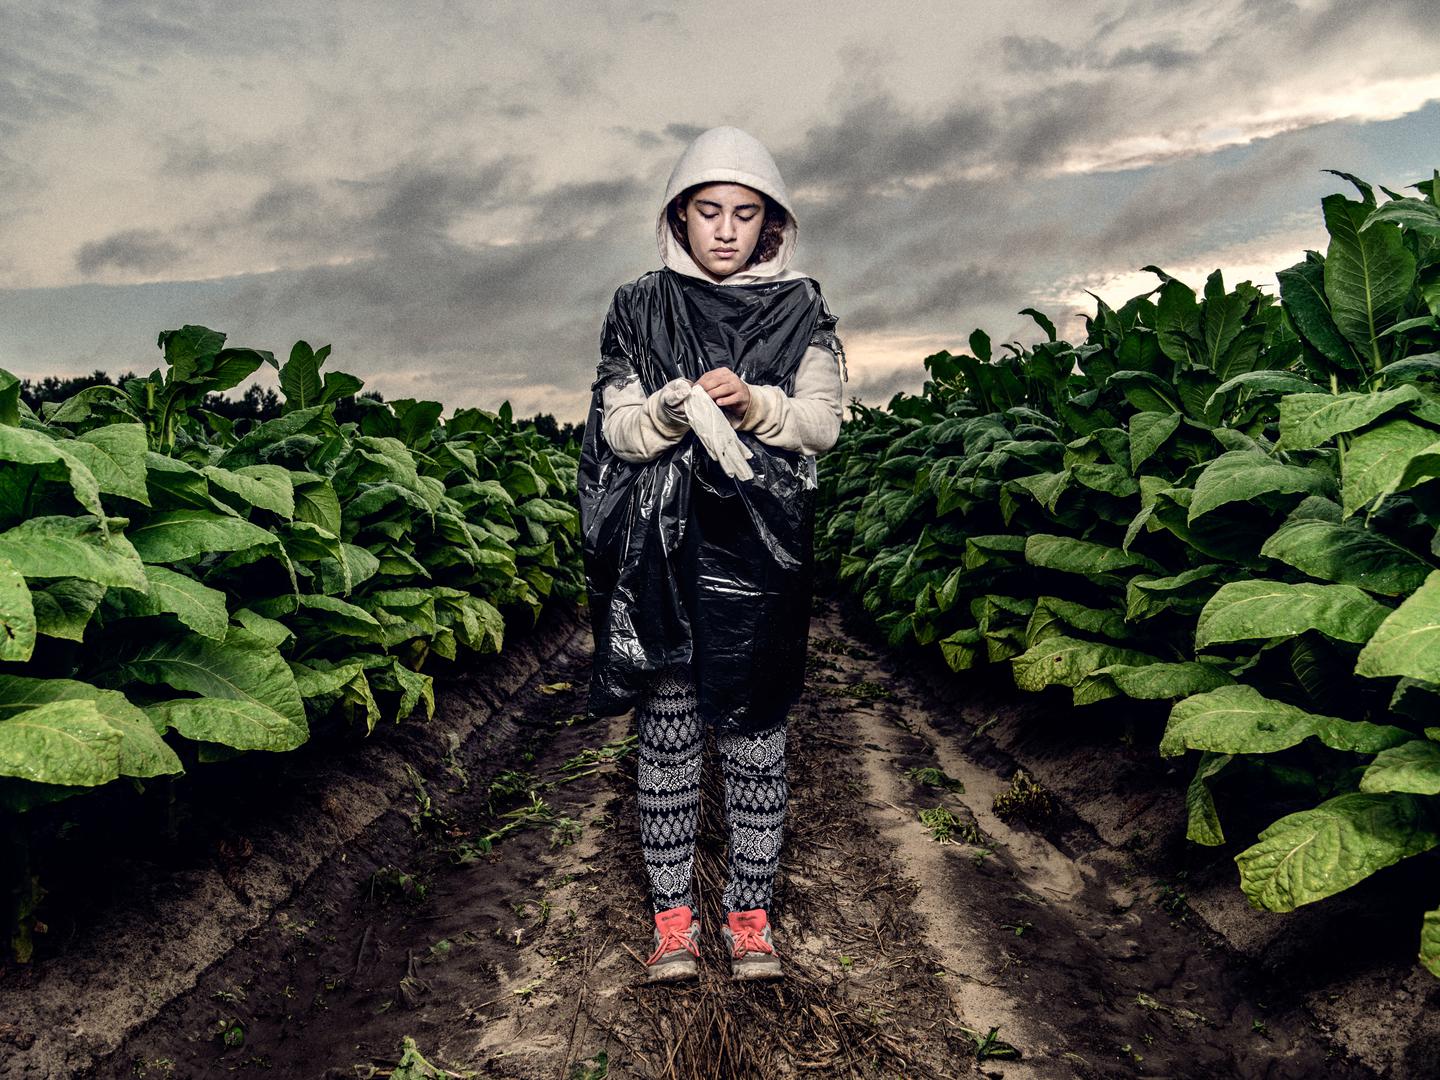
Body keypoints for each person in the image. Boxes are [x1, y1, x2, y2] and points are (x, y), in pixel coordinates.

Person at [576, 126, 847, 983]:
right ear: (679, 219)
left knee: (756, 732)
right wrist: (668, 409)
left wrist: (757, 404)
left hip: (760, 549)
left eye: (745, 213)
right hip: (663, 549)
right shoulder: (637, 305)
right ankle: (672, 926)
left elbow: (823, 422)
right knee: (667, 733)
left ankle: (751, 921)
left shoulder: (803, 305)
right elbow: (616, 431)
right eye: (708, 211)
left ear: (770, 222)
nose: (726, 229)